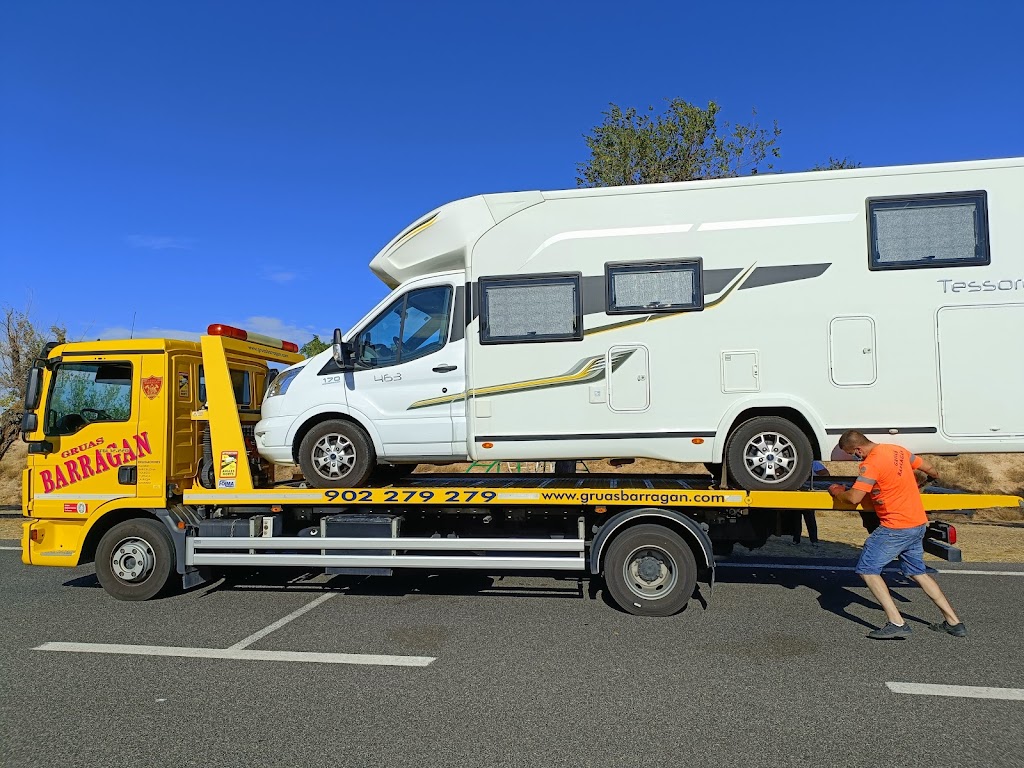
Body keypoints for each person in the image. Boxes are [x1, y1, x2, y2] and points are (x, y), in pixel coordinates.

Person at [828, 430, 967, 640]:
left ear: (858, 449)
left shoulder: (871, 463)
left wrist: (837, 491)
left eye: (854, 454)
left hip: (895, 526)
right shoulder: (898, 451)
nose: (857, 458)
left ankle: (897, 622)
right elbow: (932, 470)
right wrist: (924, 482)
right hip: (918, 523)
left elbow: (854, 497)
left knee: (867, 569)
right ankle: (954, 622)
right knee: (917, 572)